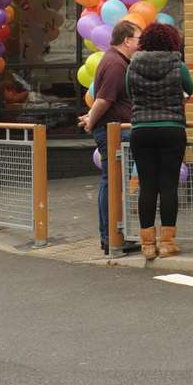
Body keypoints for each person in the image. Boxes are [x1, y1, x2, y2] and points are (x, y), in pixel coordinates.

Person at [125, 23, 193, 260]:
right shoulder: (178, 64)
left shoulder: (133, 64)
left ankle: (147, 245)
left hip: (141, 130)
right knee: (168, 186)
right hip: (172, 129)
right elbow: (190, 89)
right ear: (172, 41)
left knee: (147, 186)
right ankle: (167, 243)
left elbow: (129, 92)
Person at [79, 19, 141, 255]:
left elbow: (103, 99)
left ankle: (113, 235)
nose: (140, 43)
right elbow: (104, 100)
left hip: (114, 128)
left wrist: (89, 117)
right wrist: (91, 121)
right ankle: (112, 235)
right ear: (126, 41)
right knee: (113, 182)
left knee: (113, 182)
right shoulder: (116, 63)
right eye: (138, 39)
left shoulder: (114, 60)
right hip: (115, 131)